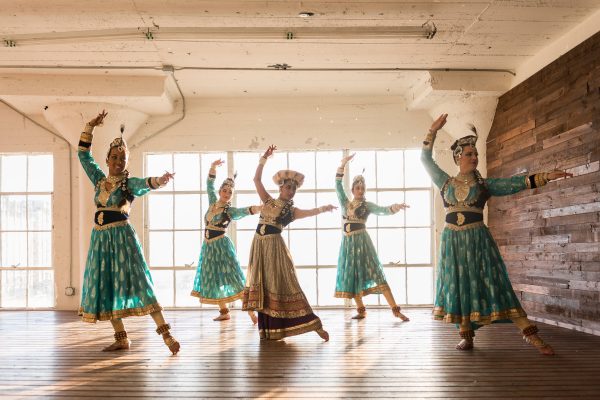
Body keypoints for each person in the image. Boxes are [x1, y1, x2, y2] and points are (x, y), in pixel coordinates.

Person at [421, 113, 571, 354]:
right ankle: (466, 336)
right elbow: (425, 160)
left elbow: (515, 183)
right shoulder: (446, 183)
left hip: (478, 241)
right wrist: (432, 130)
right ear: (458, 157)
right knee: (460, 286)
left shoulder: (484, 185)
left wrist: (545, 177)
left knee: (495, 283)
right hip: (452, 242)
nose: (474, 157)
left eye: (476, 154)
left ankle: (530, 334)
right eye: (469, 154)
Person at [78, 110, 180, 355]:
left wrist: (160, 180)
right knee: (106, 285)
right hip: (101, 239)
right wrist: (90, 126)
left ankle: (166, 334)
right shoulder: (99, 180)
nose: (118, 162)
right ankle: (121, 338)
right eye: (114, 157)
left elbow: (145, 183)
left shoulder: (127, 183)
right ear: (107, 159)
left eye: (122, 159)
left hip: (122, 238)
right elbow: (83, 155)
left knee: (139, 282)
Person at [242, 145, 335, 341]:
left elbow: (310, 212)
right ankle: (267, 329)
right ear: (281, 188)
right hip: (258, 246)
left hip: (274, 248)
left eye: (293, 188)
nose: (291, 191)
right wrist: (264, 159)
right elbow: (256, 179)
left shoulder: (291, 211)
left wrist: (323, 208)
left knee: (282, 284)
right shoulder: (267, 201)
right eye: (288, 187)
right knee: (263, 285)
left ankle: (313, 324)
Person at [335, 154, 410, 321]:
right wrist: (342, 164)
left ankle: (396, 310)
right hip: (348, 243)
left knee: (376, 273)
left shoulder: (367, 205)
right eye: (357, 188)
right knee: (352, 274)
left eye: (363, 188)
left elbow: (383, 210)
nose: (360, 191)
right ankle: (361, 310)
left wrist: (395, 207)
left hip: (362, 242)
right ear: (353, 189)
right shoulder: (345, 203)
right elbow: (337, 185)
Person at [191, 159, 261, 323]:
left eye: (230, 193)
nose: (227, 194)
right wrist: (213, 167)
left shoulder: (230, 211)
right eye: (225, 190)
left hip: (221, 245)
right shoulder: (212, 203)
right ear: (220, 191)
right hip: (208, 247)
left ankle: (251, 312)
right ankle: (224, 311)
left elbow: (245, 211)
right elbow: (209, 185)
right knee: (214, 278)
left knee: (232, 278)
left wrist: (260, 208)